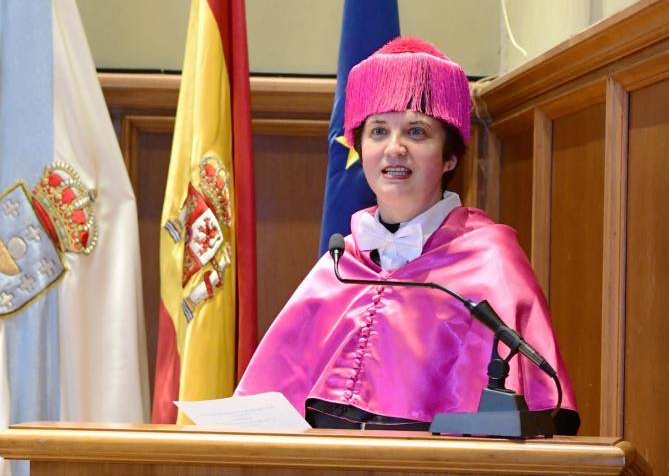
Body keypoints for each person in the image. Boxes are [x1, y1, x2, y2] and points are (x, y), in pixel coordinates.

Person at [235, 37, 579, 434]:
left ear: (449, 157)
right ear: (361, 150)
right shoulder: (340, 263)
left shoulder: (492, 262)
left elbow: (535, 417)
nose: (394, 149)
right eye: (378, 131)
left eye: (416, 133)